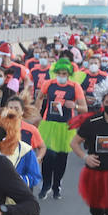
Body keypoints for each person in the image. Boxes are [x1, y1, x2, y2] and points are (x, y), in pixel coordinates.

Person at [35, 58, 86, 199]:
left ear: (69, 74)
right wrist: (37, 111)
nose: (62, 76)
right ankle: (46, 185)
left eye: (64, 74)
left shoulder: (75, 86)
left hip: (66, 126)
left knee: (61, 158)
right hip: (49, 124)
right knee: (48, 156)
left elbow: (84, 108)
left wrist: (75, 106)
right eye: (60, 73)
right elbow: (39, 97)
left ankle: (57, 185)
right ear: (56, 72)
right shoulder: (48, 84)